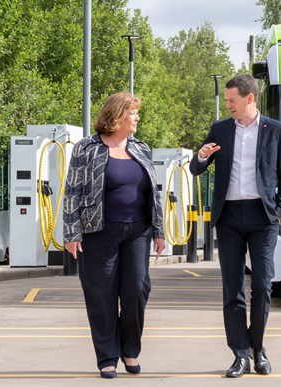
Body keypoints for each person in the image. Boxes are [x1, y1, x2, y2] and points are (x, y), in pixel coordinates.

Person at [190, 74, 281, 378]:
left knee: (262, 285)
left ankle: (257, 348)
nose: (228, 105)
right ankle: (239, 354)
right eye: (226, 101)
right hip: (229, 217)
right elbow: (197, 168)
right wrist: (201, 155)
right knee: (232, 290)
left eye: (232, 100)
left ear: (250, 98)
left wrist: (280, 212)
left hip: (263, 219)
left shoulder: (275, 130)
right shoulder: (220, 129)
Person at [63, 92, 165, 379]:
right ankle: (107, 357)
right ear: (118, 115)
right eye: (133, 113)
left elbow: (153, 194)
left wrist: (159, 231)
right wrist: (71, 233)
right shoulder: (87, 148)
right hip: (98, 232)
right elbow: (72, 191)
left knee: (137, 290)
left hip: (138, 231)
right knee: (101, 295)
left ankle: (130, 350)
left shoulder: (141, 148)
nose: (137, 118)